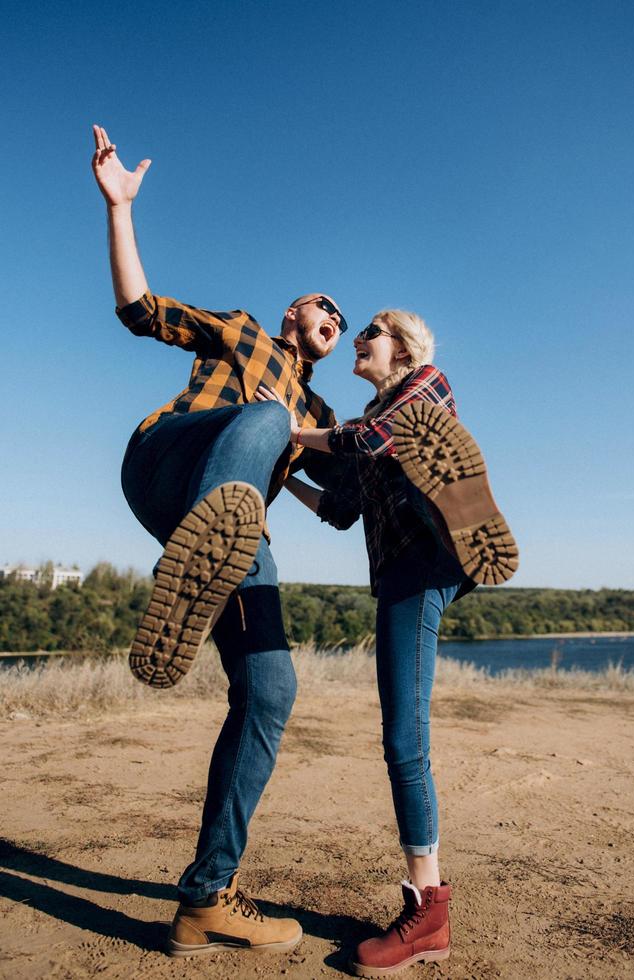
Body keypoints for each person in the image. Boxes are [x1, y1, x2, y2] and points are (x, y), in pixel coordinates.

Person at [91, 124, 348, 957]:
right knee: (269, 416)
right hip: (169, 467)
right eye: (324, 306)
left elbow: (339, 506)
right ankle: (211, 538)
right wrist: (120, 208)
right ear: (291, 314)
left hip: (238, 532)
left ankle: (205, 897)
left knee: (272, 692)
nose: (335, 319)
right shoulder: (244, 333)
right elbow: (141, 311)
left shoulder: (325, 420)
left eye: (344, 321)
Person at [256, 309, 518, 976]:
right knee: (403, 736)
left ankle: (429, 911)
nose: (360, 338)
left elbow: (369, 437)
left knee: (406, 741)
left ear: (401, 345)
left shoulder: (424, 386)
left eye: (371, 329)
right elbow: (341, 510)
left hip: (425, 564)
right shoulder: (370, 421)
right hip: (398, 573)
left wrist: (293, 429)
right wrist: (284, 474)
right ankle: (427, 904)